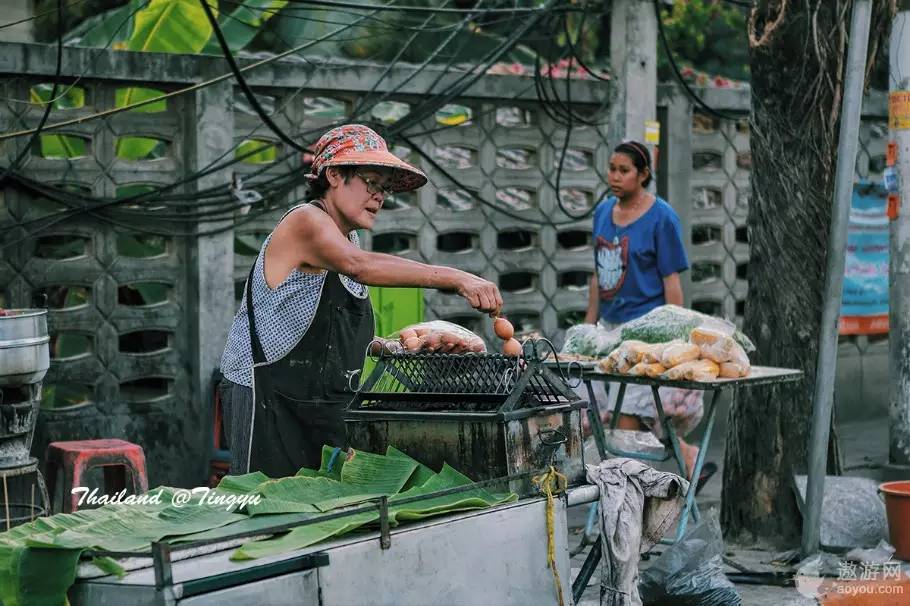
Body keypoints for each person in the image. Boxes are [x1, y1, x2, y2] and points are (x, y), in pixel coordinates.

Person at [219, 124, 502, 478]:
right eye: (371, 182)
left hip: (318, 406)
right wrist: (457, 277)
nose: (380, 196)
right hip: (266, 399)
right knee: (265, 512)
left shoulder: (345, 239)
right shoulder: (306, 221)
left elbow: (325, 335)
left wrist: (388, 347)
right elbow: (360, 267)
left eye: (384, 189)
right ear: (334, 175)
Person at [584, 140, 709, 483]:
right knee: (601, 417)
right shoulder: (602, 213)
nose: (615, 176)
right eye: (612, 169)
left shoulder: (661, 218)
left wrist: (675, 338)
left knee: (626, 422)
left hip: (646, 333)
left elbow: (672, 282)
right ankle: (683, 454)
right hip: (609, 329)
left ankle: (635, 494)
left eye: (624, 171)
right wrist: (588, 327)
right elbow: (598, 274)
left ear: (643, 175)